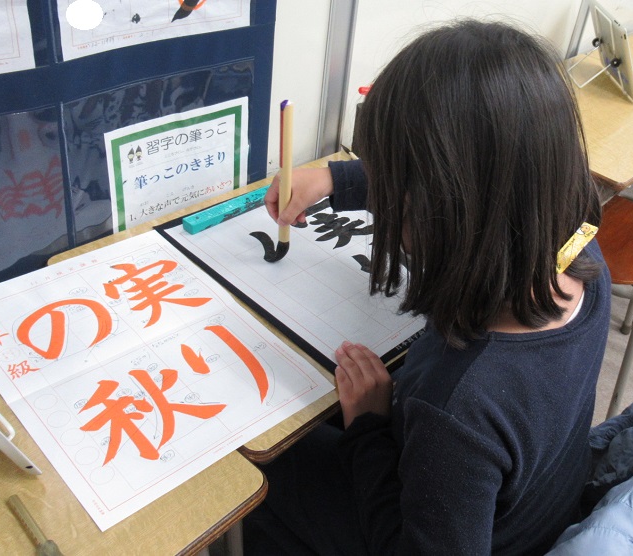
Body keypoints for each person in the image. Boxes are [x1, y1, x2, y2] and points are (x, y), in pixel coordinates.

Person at [244, 18, 611, 555]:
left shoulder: (456, 407)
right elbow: (475, 177)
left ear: (439, 214)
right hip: (533, 509)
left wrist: (368, 428)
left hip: (452, 532)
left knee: (267, 460)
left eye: (389, 182)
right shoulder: (577, 247)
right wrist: (334, 179)